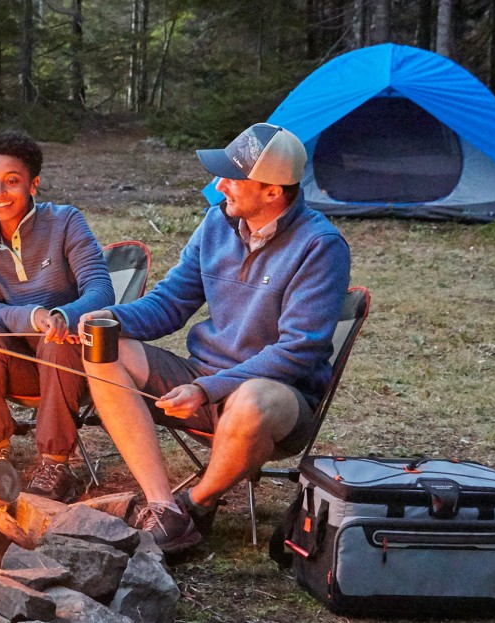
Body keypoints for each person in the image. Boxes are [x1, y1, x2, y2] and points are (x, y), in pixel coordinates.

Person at [79, 123, 351, 552]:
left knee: (252, 399)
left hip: (276, 399)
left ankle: (196, 503)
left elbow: (299, 350)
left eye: (233, 177)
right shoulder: (217, 224)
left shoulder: (320, 246)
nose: (219, 184)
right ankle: (164, 508)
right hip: (202, 378)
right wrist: (111, 317)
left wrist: (206, 389)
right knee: (106, 350)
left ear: (272, 192)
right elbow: (170, 302)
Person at [0, 130, 114, 502]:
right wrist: (32, 315)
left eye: (11, 182)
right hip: (17, 359)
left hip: (67, 360)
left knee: (56, 343)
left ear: (33, 184)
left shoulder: (65, 222)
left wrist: (62, 314)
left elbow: (101, 289)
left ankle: (55, 462)